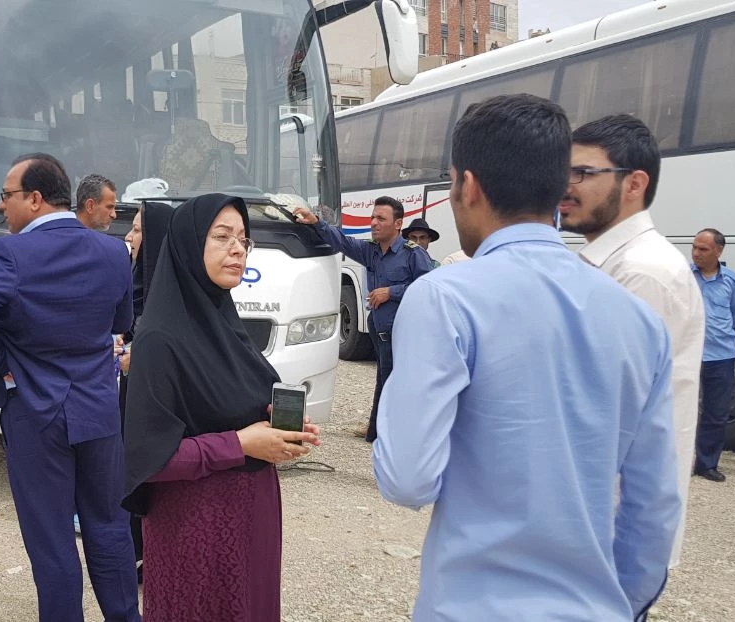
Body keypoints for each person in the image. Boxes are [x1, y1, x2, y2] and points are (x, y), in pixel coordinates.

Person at [374, 94, 680, 621]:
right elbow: (653, 504)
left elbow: (408, 479)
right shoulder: (639, 319)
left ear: (468, 185)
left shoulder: (445, 297)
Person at [0, 153, 140, 622]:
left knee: (53, 539)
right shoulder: (113, 252)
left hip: (37, 413)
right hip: (99, 409)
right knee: (110, 526)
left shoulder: (11, 253)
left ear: (35, 199)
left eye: (6, 195)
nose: (2, 206)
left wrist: (2, 364)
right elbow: (119, 321)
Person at [123, 194, 320, 621]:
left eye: (243, 240)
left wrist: (276, 429)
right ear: (189, 244)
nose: (237, 249)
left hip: (253, 515)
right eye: (222, 236)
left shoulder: (225, 324)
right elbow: (149, 458)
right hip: (197, 528)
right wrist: (241, 443)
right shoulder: (160, 339)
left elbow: (231, 405)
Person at [561, 114, 705, 564]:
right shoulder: (610, 263)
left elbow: (608, 410)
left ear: (634, 184)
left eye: (582, 173)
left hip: (612, 526)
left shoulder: (642, 273)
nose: (565, 186)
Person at [292, 197, 432, 441]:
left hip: (402, 336)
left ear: (398, 224)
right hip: (380, 333)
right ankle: (377, 433)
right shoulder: (372, 251)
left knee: (395, 385)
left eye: (381, 218)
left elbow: (429, 287)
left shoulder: (413, 254)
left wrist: (392, 291)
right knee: (383, 381)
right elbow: (342, 242)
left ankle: (391, 436)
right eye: (372, 217)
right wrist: (316, 222)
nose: (373, 223)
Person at [117, 201, 172, 582]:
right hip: (129, 397)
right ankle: (137, 553)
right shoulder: (135, 279)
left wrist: (141, 355)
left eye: (137, 230)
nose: (129, 236)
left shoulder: (170, 294)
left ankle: (153, 555)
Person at [690, 228, 735, 482]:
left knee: (716, 412)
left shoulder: (732, 281)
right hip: (688, 354)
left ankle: (707, 464)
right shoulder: (685, 276)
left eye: (703, 249)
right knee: (682, 409)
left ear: (719, 251)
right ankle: (680, 462)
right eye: (694, 247)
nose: (696, 253)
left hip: (720, 356)